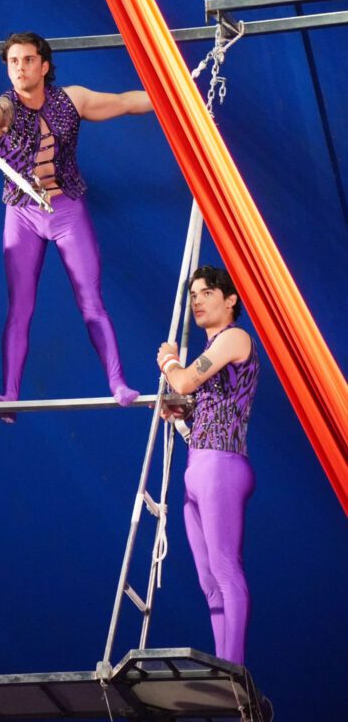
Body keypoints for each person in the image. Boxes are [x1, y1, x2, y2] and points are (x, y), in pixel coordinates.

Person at [0, 31, 153, 419]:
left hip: (66, 210)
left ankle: (118, 383)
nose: (20, 68)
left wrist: (175, 101)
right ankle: (10, 393)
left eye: (27, 60)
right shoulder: (5, 107)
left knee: (91, 301)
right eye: (13, 62)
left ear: (44, 66)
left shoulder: (71, 99)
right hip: (23, 215)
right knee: (20, 307)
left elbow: (127, 103)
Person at [157, 265, 259, 665]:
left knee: (226, 570)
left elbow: (183, 380)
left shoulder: (234, 338)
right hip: (198, 468)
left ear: (230, 299)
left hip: (221, 466)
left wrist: (169, 363)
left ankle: (232, 670)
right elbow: (198, 399)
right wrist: (181, 411)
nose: (196, 300)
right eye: (193, 294)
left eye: (206, 292)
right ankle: (223, 663)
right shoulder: (212, 352)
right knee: (208, 581)